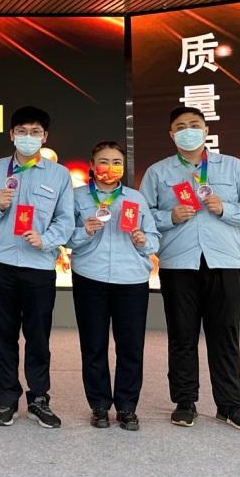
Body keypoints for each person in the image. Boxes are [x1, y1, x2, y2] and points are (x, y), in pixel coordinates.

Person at [139, 107, 240, 431]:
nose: (188, 131)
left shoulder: (233, 167)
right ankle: (185, 402)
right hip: (178, 263)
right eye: (181, 126)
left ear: (206, 129)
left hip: (224, 262)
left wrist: (226, 208)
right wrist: (169, 217)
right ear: (172, 134)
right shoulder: (158, 172)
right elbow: (141, 214)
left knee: (225, 335)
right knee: (181, 334)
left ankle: (230, 405)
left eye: (194, 125)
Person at [0, 105, 74, 429]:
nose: (28, 137)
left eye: (35, 132)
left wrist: (46, 239)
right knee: (4, 333)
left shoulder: (58, 175)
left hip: (39, 265)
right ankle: (6, 399)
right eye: (22, 131)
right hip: (1, 262)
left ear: (44, 137)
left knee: (38, 335)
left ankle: (39, 398)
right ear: (11, 135)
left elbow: (66, 220)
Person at [67, 141, 159, 431]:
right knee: (93, 344)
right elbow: (64, 236)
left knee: (130, 346)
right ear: (92, 166)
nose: (110, 167)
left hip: (131, 279)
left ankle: (127, 406)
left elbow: (154, 239)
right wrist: (84, 230)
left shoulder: (135, 198)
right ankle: (99, 405)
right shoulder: (77, 197)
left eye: (116, 162)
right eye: (104, 161)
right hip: (89, 276)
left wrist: (143, 240)